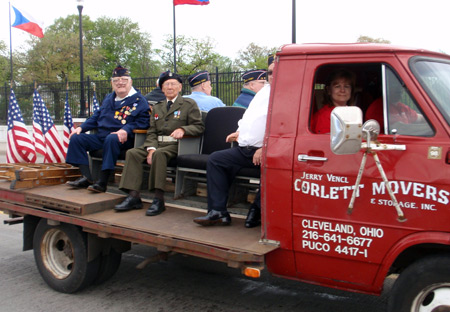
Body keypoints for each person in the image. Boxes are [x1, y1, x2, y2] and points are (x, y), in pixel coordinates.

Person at [193, 54, 275, 228]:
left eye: (278, 71)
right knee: (216, 160)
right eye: (270, 72)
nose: (273, 75)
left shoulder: (289, 93)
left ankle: (257, 210)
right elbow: (250, 118)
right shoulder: (263, 92)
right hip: (246, 149)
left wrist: (266, 147)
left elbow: (285, 127)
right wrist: (238, 131)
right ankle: (218, 212)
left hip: (270, 151)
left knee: (273, 169)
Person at [114, 71, 204, 216]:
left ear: (180, 87)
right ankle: (133, 196)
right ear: (162, 88)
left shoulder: (188, 104)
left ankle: (158, 199)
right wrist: (150, 148)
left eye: (173, 84)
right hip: (157, 144)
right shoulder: (157, 107)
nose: (169, 87)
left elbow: (199, 126)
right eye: (166, 84)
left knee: (159, 154)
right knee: (133, 153)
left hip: (177, 145)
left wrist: (183, 129)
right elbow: (152, 131)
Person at [66, 65, 150, 193]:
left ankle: (102, 182)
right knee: (77, 138)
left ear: (130, 82)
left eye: (123, 80)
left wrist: (126, 129)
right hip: (102, 136)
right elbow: (96, 117)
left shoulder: (139, 101)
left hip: (124, 140)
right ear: (112, 83)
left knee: (111, 139)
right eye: (116, 81)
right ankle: (87, 177)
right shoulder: (108, 98)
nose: (120, 83)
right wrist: (82, 128)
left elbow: (144, 122)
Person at [311, 69, 356, 134]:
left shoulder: (353, 112)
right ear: (329, 90)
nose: (342, 90)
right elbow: (325, 142)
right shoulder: (323, 116)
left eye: (346, 86)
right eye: (337, 86)